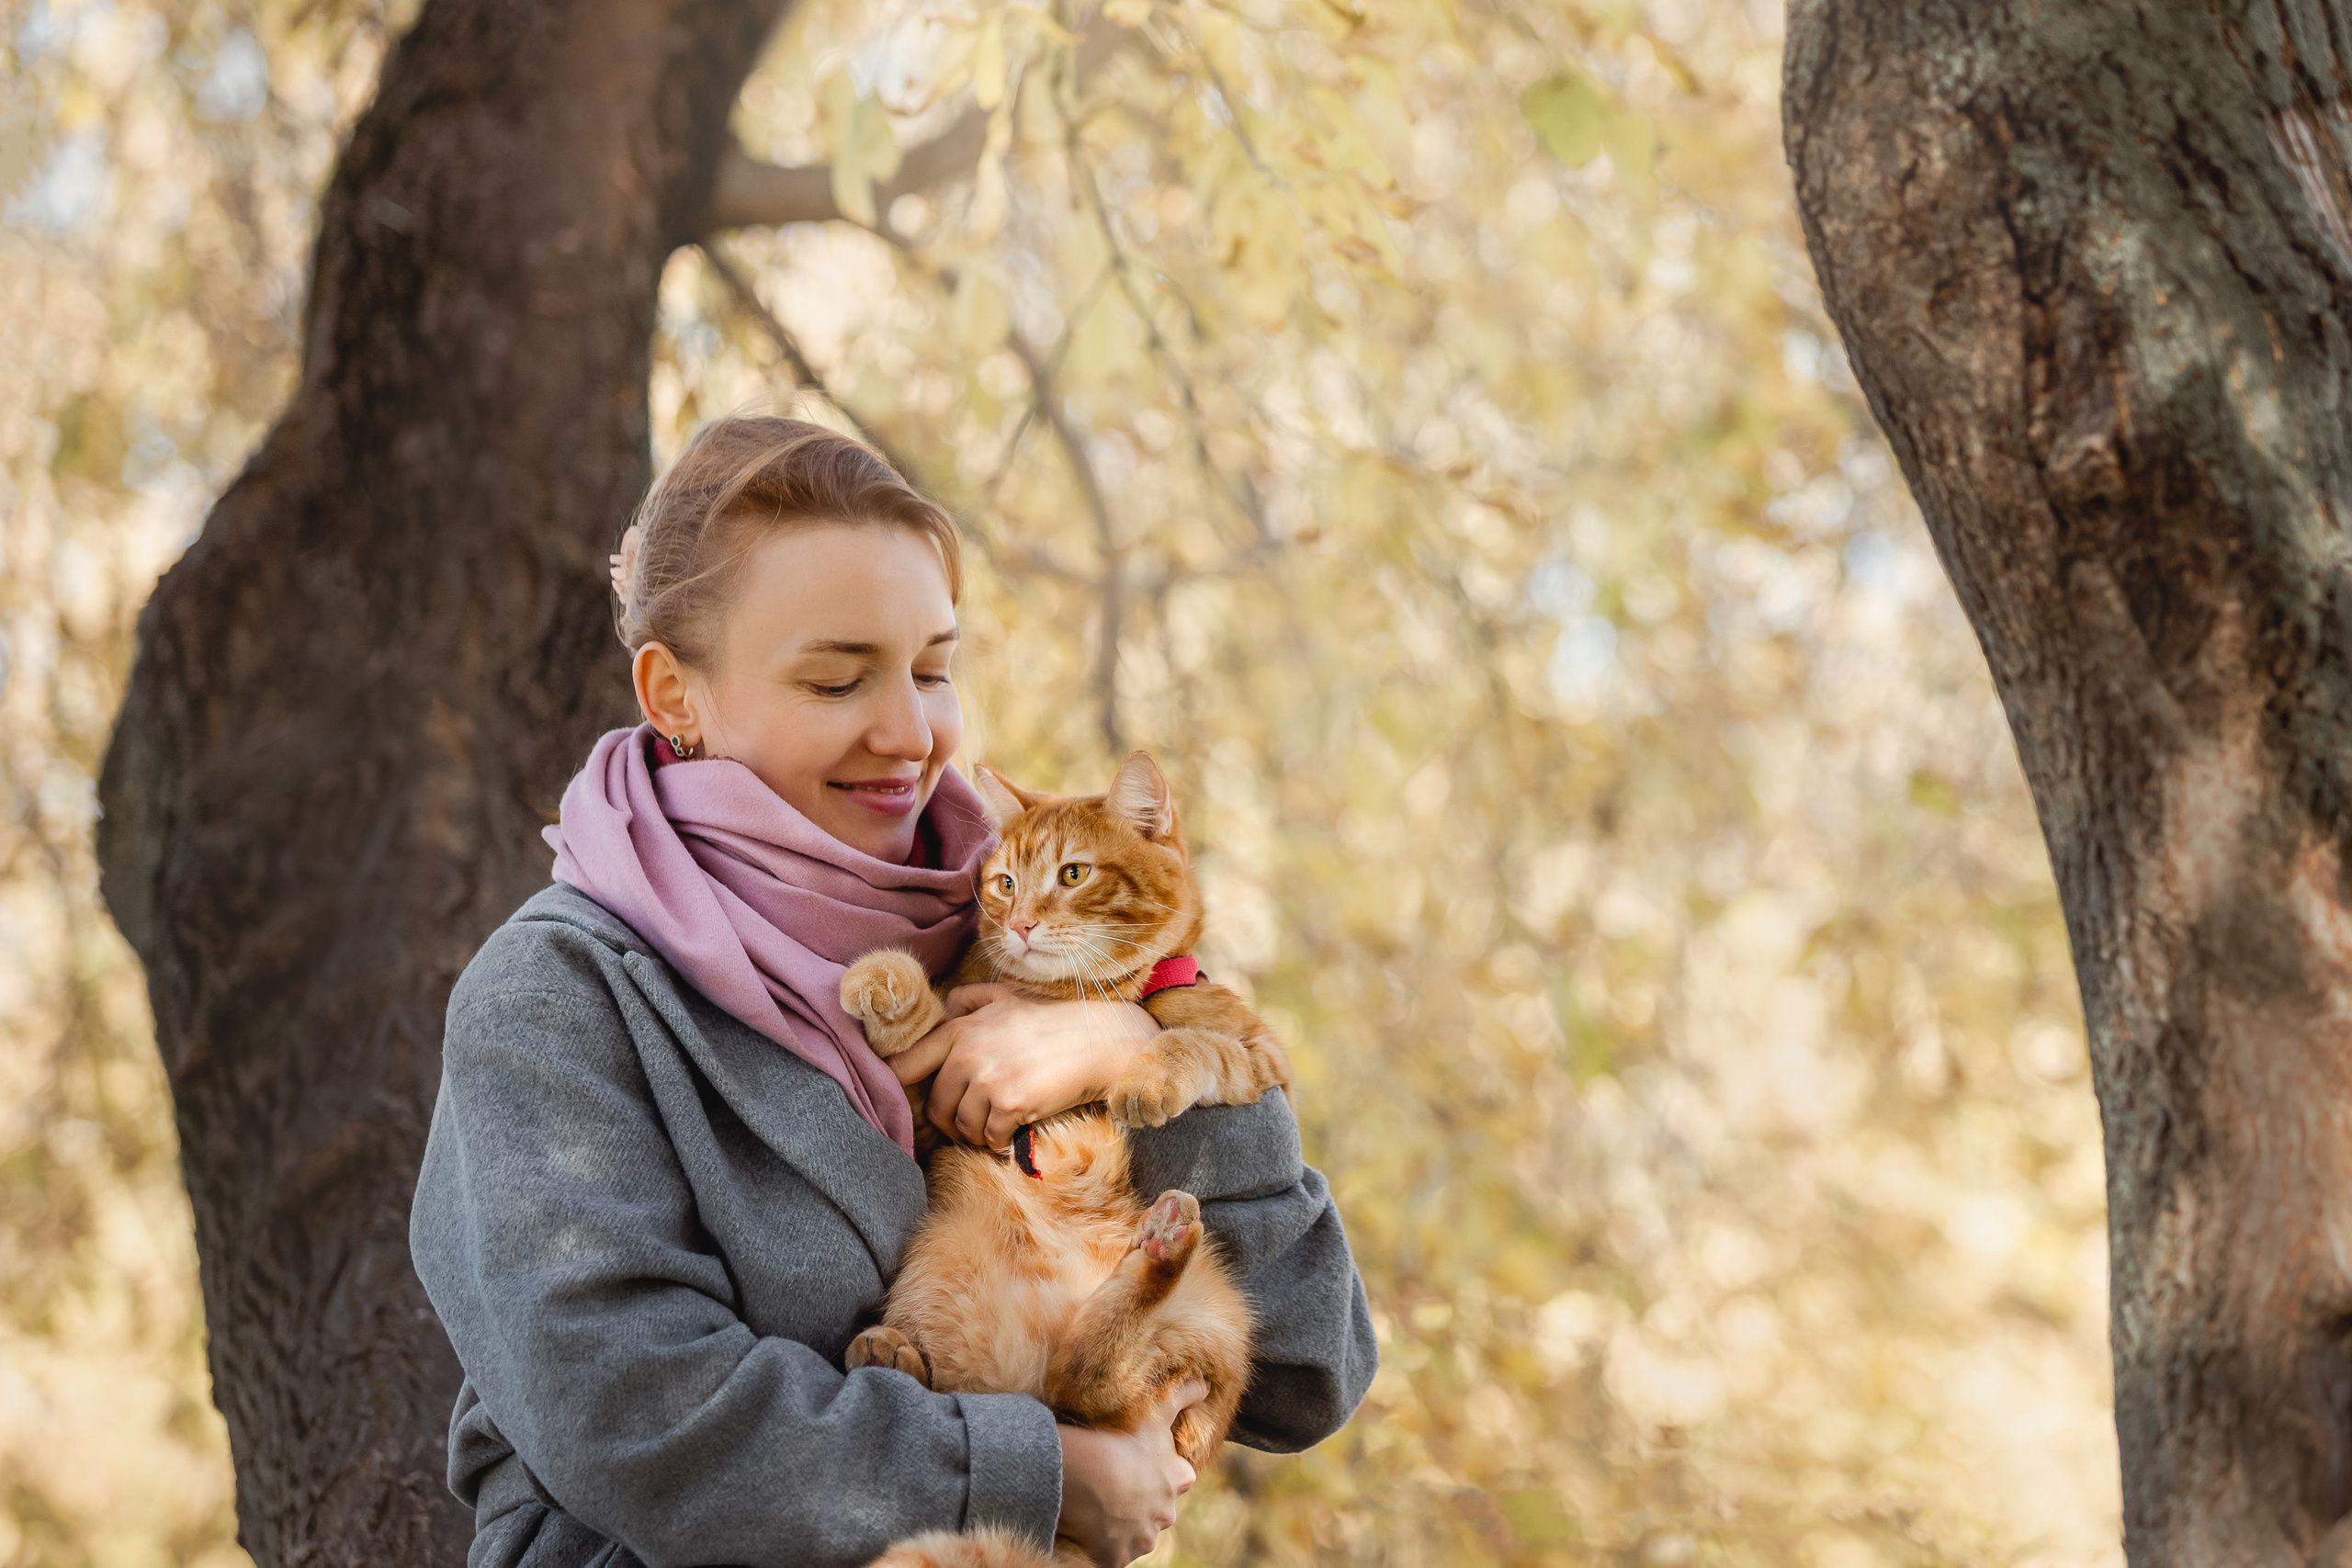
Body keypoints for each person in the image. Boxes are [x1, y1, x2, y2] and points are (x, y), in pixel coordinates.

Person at [408, 416, 1376, 1568]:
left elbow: (1310, 1367)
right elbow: (632, 1415)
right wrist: (1039, 1474)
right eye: (837, 677)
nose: (911, 733)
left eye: (932, 669)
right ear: (674, 692)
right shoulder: (561, 995)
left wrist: (1132, 1042)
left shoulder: (1012, 934)